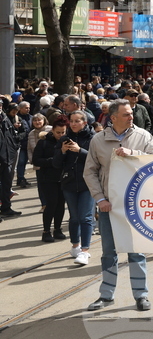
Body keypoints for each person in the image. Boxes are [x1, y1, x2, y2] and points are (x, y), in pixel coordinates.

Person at [83, 100, 153, 311]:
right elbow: (89, 171)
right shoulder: (98, 140)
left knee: (136, 251)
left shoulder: (143, 136)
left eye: (131, 113)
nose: (131, 116)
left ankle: (141, 295)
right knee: (109, 252)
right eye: (126, 114)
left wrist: (134, 155)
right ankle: (106, 296)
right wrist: (100, 199)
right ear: (113, 117)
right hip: (108, 206)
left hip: (135, 206)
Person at [54, 110, 95, 265]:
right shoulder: (64, 139)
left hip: (87, 183)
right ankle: (75, 246)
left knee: (85, 217)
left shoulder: (93, 138)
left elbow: (97, 160)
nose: (73, 124)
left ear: (85, 122)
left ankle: (85, 250)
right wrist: (62, 152)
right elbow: (56, 164)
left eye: (77, 121)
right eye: (71, 121)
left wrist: (80, 151)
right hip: (69, 183)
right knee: (74, 217)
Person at [32, 117, 68, 242]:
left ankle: (57, 229)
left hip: (62, 178)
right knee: (51, 204)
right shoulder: (44, 142)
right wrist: (52, 161)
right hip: (47, 178)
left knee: (60, 205)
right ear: (52, 130)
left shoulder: (67, 142)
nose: (61, 135)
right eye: (58, 132)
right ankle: (46, 231)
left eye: (63, 132)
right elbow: (36, 160)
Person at [0, 104, 22, 218]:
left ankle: (6, 208)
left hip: (8, 157)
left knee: (6, 185)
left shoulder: (4, 118)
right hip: (2, 157)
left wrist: (15, 146)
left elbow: (12, 135)